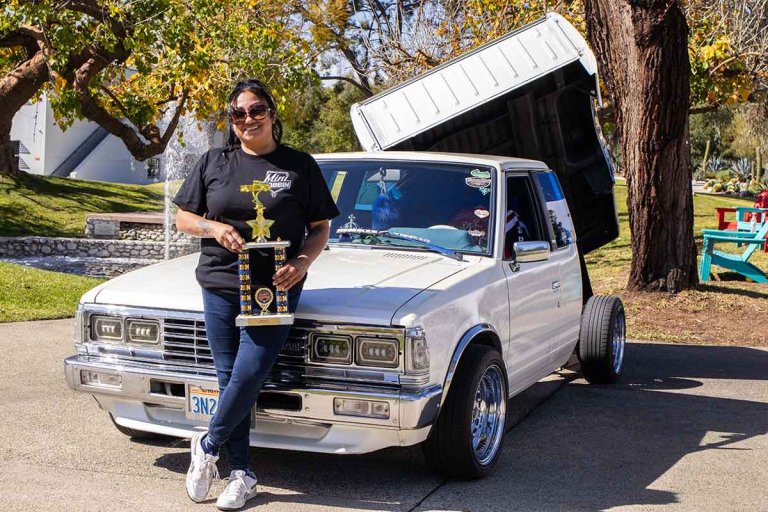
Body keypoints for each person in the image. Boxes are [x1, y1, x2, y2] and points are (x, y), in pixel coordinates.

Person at [173, 79, 339, 510]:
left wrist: (302, 263)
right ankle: (241, 473)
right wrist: (213, 227)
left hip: (275, 285)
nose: (248, 119)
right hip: (220, 281)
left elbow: (321, 228)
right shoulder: (214, 161)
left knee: (251, 372)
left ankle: (207, 445)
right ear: (231, 120)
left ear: (272, 113)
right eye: (238, 113)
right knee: (230, 378)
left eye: (256, 110)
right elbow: (183, 219)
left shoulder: (300, 166)